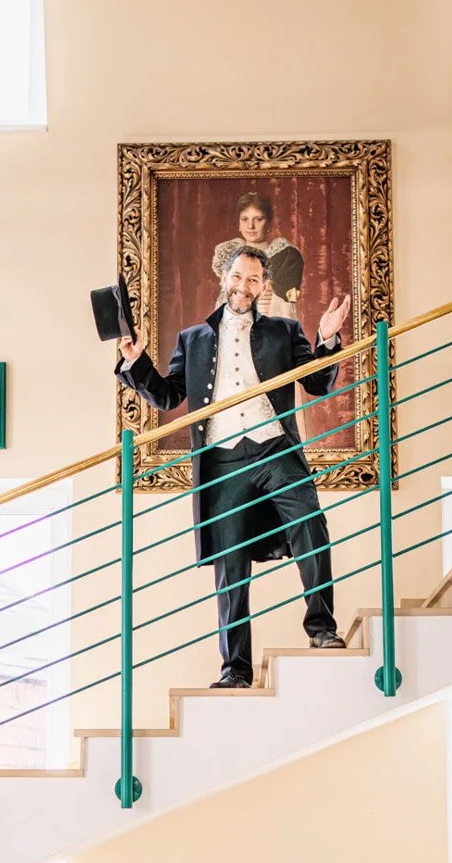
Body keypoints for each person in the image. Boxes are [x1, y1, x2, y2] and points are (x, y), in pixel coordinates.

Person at [119, 247, 352, 688]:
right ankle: (235, 670)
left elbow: (318, 383)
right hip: (223, 460)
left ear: (264, 286)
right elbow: (169, 397)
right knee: (231, 567)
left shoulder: (285, 331)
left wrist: (326, 341)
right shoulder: (193, 339)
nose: (244, 287)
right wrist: (136, 361)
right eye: (238, 277)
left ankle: (322, 629)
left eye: (253, 280)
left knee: (311, 522)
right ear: (225, 279)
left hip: (273, 448)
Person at [210, 191, 301, 321]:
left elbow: (287, 309)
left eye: (258, 219)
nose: (250, 226)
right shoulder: (230, 256)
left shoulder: (284, 257)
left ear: (269, 222)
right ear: (239, 223)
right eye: (245, 219)